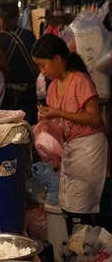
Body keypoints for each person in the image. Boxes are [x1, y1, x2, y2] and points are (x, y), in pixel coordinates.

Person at [31, 33, 108, 231]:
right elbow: (58, 120)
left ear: (57, 59)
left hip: (90, 146)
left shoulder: (81, 81)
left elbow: (94, 118)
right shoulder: (54, 86)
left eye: (43, 65)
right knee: (69, 205)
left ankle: (92, 249)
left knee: (83, 207)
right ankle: (79, 249)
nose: (42, 71)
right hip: (71, 148)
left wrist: (58, 113)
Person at [0, 2, 38, 125]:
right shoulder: (29, 35)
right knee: (29, 129)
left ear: (0, 19)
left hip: (9, 95)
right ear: (18, 17)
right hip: (30, 92)